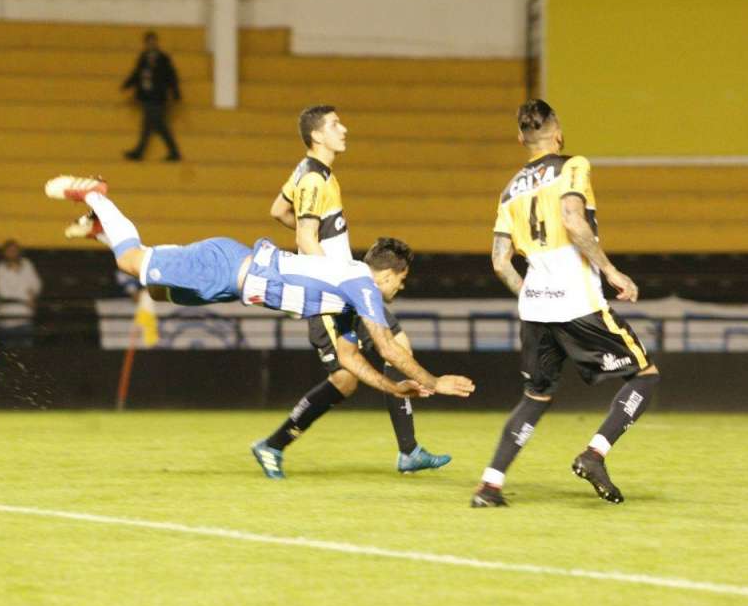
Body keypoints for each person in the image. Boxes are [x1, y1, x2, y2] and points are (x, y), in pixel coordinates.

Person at [47, 176, 475, 438]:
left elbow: (349, 357)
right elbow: (388, 349)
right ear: (387, 274)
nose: (400, 288)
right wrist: (432, 382)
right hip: (225, 266)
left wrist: (393, 387)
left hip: (228, 287)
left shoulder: (342, 298)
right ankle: (96, 196)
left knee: (159, 293)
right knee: (131, 261)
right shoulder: (361, 282)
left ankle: (102, 231)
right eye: (402, 280)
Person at [470, 100, 660, 508]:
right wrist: (612, 272)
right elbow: (573, 220)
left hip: (535, 308)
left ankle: (490, 485)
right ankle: (595, 454)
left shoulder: (509, 191)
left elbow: (500, 262)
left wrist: (533, 294)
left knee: (535, 396)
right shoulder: (573, 165)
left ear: (522, 138)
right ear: (557, 133)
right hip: (578, 300)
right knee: (645, 376)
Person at [254, 105, 451, 478]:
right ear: (317, 136)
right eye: (334, 124)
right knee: (345, 379)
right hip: (332, 294)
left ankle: (408, 451)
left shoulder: (312, 173)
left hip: (341, 287)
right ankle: (273, 445)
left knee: (396, 344)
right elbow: (305, 237)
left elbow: (279, 209)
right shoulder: (314, 179)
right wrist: (333, 278)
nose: (343, 129)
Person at [121, 31, 182, 162]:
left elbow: (171, 76)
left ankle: (141, 152)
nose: (151, 44)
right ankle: (170, 152)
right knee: (155, 126)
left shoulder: (163, 59)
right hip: (146, 97)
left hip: (158, 97)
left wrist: (176, 92)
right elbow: (137, 74)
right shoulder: (143, 58)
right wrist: (128, 84)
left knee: (154, 126)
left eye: (153, 41)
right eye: (149, 42)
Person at [0, 239, 42, 348]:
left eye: (15, 250)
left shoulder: (27, 265)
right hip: (6, 319)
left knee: (27, 355)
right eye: (9, 250)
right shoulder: (0, 269)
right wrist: (27, 297)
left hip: (25, 318)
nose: (12, 253)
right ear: (4, 253)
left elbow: (36, 284)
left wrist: (32, 294)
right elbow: (3, 292)